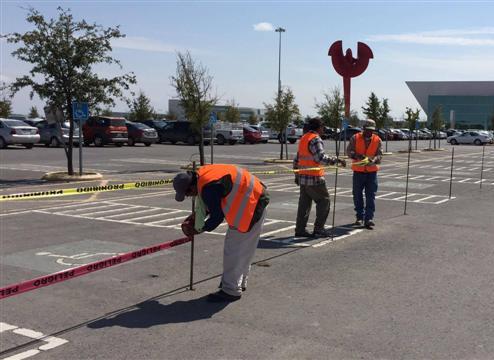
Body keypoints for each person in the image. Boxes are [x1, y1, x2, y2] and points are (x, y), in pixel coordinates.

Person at [173, 164, 269, 303]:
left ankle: (230, 291)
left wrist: (200, 229)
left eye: (187, 194)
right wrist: (196, 217)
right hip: (257, 197)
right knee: (245, 249)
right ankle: (238, 283)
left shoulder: (208, 187)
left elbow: (217, 216)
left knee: (233, 251)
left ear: (191, 187)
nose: (189, 196)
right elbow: (212, 202)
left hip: (249, 207)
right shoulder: (204, 175)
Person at [293, 117, 345, 238]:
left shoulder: (304, 138)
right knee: (324, 201)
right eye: (323, 127)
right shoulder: (315, 139)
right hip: (314, 179)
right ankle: (319, 228)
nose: (324, 129)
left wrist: (297, 175)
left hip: (303, 178)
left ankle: (300, 229)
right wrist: (336, 160)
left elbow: (297, 160)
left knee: (304, 205)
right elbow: (320, 158)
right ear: (319, 127)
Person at [346, 119, 383, 229]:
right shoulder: (355, 138)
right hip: (358, 172)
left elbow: (380, 155)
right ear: (363, 129)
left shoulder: (377, 140)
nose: (369, 132)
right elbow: (349, 151)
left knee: (370, 196)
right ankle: (359, 217)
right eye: (367, 130)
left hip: (372, 172)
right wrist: (357, 155)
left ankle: (369, 219)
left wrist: (374, 159)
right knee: (357, 195)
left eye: (371, 130)